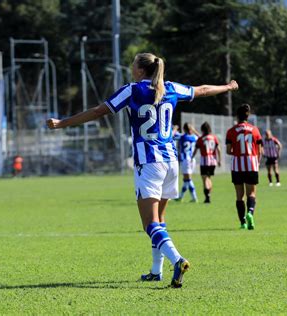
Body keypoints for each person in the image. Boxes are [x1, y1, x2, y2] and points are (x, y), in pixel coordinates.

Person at [46, 52, 239, 287]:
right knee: (160, 220)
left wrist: (62, 123)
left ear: (140, 70)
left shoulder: (132, 90)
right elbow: (203, 90)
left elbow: (99, 111)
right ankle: (156, 271)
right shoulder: (170, 88)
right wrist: (227, 87)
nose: (131, 67)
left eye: (133, 64)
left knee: (149, 224)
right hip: (171, 162)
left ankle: (177, 260)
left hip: (148, 163)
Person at [226, 104, 263, 230]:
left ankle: (242, 222)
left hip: (237, 165)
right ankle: (250, 213)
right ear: (248, 116)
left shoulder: (231, 131)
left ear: (237, 116)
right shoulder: (255, 130)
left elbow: (228, 150)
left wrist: (237, 151)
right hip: (251, 163)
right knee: (251, 193)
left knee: (239, 195)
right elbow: (260, 150)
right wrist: (256, 160)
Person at [193, 122, 221, 204]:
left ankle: (207, 196)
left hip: (204, 161)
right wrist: (219, 160)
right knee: (209, 178)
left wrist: (192, 157)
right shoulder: (214, 138)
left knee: (205, 179)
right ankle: (209, 195)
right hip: (213, 161)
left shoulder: (201, 139)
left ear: (202, 129)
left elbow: (196, 149)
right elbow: (218, 149)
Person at [176, 123, 199, 202]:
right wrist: (194, 130)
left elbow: (173, 136)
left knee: (188, 179)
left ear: (184, 129)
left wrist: (175, 129)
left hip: (185, 160)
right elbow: (200, 137)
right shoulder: (194, 137)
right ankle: (180, 197)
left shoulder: (182, 137)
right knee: (186, 179)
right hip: (192, 160)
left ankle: (194, 197)